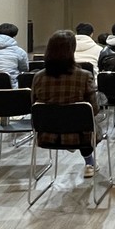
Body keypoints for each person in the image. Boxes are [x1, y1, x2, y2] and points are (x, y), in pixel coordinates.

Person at [31, 30, 102, 178]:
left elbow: (34, 106)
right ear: (72, 50)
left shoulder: (38, 77)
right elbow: (93, 110)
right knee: (85, 122)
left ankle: (89, 161)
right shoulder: (84, 76)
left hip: (47, 135)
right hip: (80, 136)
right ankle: (89, 162)